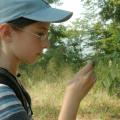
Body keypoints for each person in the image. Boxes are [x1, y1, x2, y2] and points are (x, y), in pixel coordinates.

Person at [0, 0, 96, 120]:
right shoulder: (2, 92)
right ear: (7, 33)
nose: (46, 44)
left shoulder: (10, 81)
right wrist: (72, 98)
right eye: (40, 34)